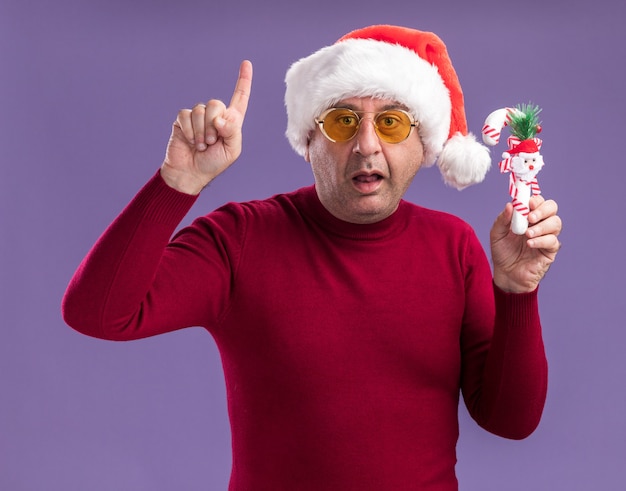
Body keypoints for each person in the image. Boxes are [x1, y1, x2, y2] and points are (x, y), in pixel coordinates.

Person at [62, 25, 562, 490]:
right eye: (343, 122)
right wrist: (177, 183)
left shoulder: (454, 246)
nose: (366, 145)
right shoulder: (239, 238)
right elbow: (98, 313)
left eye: (391, 123)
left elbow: (511, 421)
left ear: (424, 145)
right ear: (308, 142)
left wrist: (518, 292)